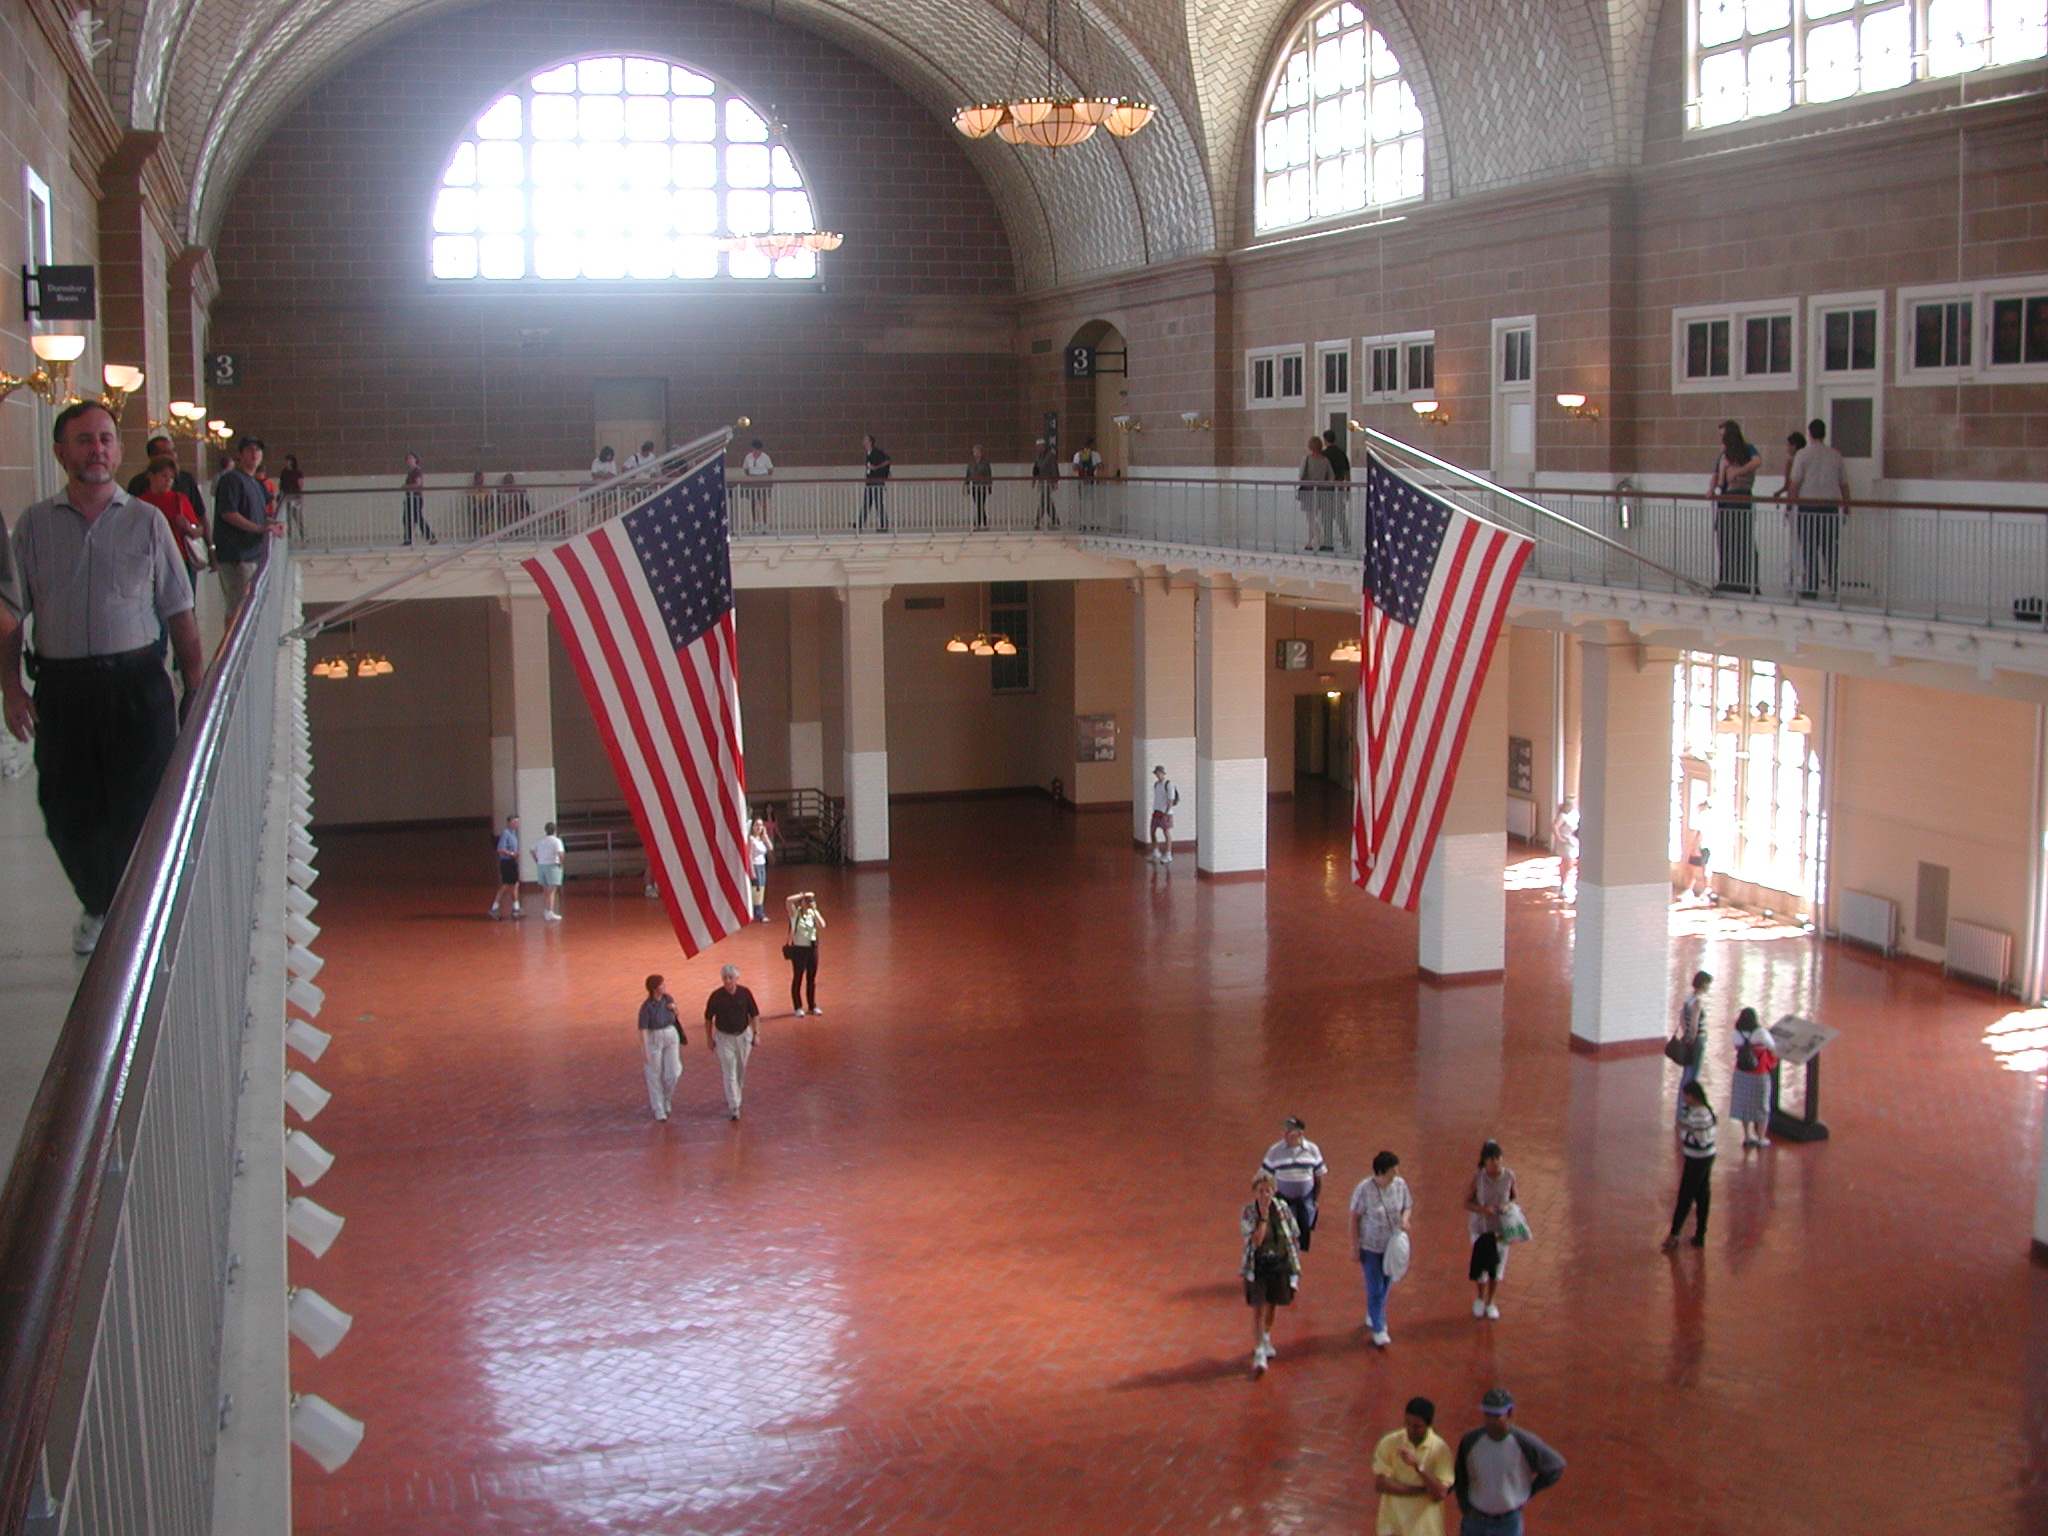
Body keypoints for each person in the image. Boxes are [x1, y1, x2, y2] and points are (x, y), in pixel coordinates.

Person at [0, 401, 205, 955]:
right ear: (60, 451)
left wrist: (196, 687)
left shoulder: (147, 521)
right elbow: (13, 616)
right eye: (85, 440)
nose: (98, 450)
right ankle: (100, 904)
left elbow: (179, 613)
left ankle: (138, 913)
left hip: (136, 683)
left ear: (118, 449)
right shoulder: (35, 527)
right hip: (63, 689)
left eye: (107, 439)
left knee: (141, 803)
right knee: (68, 811)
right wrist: (12, 687)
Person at [1451, 1389, 1565, 1536]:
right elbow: (1460, 1475)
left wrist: (1529, 1491)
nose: (1491, 1421)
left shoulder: (1523, 1442)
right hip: (1475, 1520)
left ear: (1510, 1413)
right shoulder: (1470, 1440)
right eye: (1487, 1414)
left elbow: (1556, 1465)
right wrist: (1465, 1506)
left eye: (1497, 1416)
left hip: (1507, 1523)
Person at [1240, 1171, 1300, 1375]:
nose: (1264, 1195)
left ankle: (1266, 1337)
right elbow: (1256, 1240)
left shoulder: (1283, 1209)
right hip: (1257, 1266)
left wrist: (1293, 1267)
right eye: (1260, 1191)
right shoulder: (1249, 1212)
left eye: (1268, 1190)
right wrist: (1264, 1216)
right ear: (1254, 1192)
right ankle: (1258, 1350)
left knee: (1273, 1303)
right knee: (1258, 1307)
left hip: (1279, 1263)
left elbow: (1293, 1233)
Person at [1351, 1149, 1412, 1347]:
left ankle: (1374, 1313)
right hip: (1370, 1246)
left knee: (1387, 1282)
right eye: (1393, 1170)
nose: (1396, 1173)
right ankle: (1379, 1327)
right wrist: (1355, 1246)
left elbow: (1407, 1205)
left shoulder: (1400, 1185)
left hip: (1391, 1245)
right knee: (1375, 1286)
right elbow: (1355, 1218)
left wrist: (1404, 1220)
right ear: (1382, 1171)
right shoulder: (1364, 1189)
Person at [1786, 416, 1849, 598]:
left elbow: (1795, 483)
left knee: (1809, 548)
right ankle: (1833, 588)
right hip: (1830, 508)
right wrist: (1846, 506)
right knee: (1830, 550)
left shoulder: (1803, 455)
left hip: (1808, 507)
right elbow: (1844, 485)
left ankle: (1811, 588)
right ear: (1825, 433)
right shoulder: (1835, 455)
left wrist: (1789, 505)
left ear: (1810, 433)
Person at [1373, 1397, 1453, 1536]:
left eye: (1416, 1426)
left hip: (1425, 1530)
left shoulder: (1440, 1450)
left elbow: (1439, 1493)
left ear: (1428, 1425)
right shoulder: (1389, 1442)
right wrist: (1422, 1491)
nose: (1410, 1429)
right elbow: (1381, 1485)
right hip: (1394, 1527)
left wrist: (1418, 1466)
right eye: (1407, 1423)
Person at [213, 436, 276, 609]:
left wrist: (274, 524)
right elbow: (228, 513)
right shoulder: (232, 480)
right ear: (239, 455)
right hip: (237, 556)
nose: (254, 454)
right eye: (249, 450)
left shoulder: (256, 484)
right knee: (239, 608)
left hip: (252, 553)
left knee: (249, 604)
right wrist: (259, 529)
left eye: (258, 450)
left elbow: (258, 515)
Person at [138, 454, 210, 589]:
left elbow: (199, 530)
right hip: (153, 560)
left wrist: (188, 528)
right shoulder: (141, 503)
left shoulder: (179, 500)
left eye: (171, 478)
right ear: (151, 476)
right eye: (164, 476)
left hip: (180, 558)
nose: (168, 481)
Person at [1708, 420, 1763, 594]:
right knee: (1737, 541)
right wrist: (1712, 487)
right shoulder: (1732, 454)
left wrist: (1734, 473)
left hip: (1732, 500)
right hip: (1740, 500)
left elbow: (1721, 479)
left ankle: (1737, 581)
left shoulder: (1736, 453)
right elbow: (1717, 476)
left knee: (1734, 541)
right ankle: (1739, 581)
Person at [1463, 1140, 1516, 1320]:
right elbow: (1467, 1202)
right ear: (1485, 1161)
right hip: (1481, 1228)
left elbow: (1512, 1197)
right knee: (1482, 1264)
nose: (1495, 1163)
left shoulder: (1509, 1176)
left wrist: (1507, 1206)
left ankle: (1491, 1301)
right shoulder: (1478, 1178)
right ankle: (1479, 1298)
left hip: (1501, 1229)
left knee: (1497, 1265)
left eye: (1497, 1158)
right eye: (1491, 1159)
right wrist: (1482, 1210)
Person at [1663, 1079, 1718, 1249]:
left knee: (1685, 1196)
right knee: (1702, 1195)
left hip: (1697, 1159)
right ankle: (1700, 1234)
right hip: (1707, 1157)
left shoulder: (1698, 1114)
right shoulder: (1704, 1111)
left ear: (1692, 1096)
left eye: (1686, 1096)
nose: (1684, 1099)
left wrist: (1682, 1133)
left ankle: (1674, 1234)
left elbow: (1699, 1140)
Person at [703, 963, 761, 1121]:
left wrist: (756, 1033)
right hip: (724, 1038)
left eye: (730, 978)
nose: (727, 981)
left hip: (743, 1036)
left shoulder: (745, 993)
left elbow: (754, 1014)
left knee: (740, 1069)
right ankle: (734, 1105)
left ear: (736, 978)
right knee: (729, 1071)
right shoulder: (716, 996)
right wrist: (709, 1038)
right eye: (725, 978)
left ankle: (737, 1093)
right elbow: (708, 1018)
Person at [1259, 1117, 1326, 1253]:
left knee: (1300, 1235)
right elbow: (1264, 1177)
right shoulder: (1275, 1151)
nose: (1285, 1133)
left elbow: (1318, 1177)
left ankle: (1294, 1261)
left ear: (1300, 1133)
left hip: (1304, 1202)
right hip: (1282, 1202)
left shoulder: (1312, 1150)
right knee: (1284, 1236)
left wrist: (1315, 1200)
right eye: (1284, 1130)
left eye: (1289, 1130)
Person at [128, 435, 209, 532]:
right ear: (153, 457)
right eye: (167, 452)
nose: (173, 455)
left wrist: (208, 543)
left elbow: (200, 516)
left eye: (173, 451)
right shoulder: (138, 483)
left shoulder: (185, 480)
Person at [1730, 1005, 1777, 1149]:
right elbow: (1772, 1047)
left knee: (1745, 1104)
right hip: (1759, 1073)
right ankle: (1761, 1138)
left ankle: (1747, 1136)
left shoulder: (1736, 1035)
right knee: (1762, 1104)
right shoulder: (1761, 1033)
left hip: (1741, 1073)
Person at [638, 974, 683, 1123]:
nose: (664, 987)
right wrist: (645, 1050)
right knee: (654, 1073)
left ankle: (666, 1098)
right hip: (654, 1037)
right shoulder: (647, 1007)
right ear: (655, 989)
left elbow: (676, 1014)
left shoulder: (667, 999)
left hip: (670, 1033)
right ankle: (659, 1108)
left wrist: (674, 1009)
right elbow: (643, 1029)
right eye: (662, 985)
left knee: (673, 1071)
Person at [786, 890, 824, 1014]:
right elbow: (788, 900)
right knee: (798, 977)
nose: (808, 903)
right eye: (806, 901)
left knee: (811, 978)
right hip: (799, 949)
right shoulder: (795, 913)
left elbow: (822, 925)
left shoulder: (812, 913)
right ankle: (797, 1006)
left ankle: (812, 1006)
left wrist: (815, 911)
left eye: (811, 901)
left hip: (812, 948)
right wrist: (803, 895)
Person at [1675, 969, 1711, 1096]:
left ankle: (1681, 1107)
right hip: (1697, 1041)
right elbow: (1695, 1024)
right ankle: (1688, 1104)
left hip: (1688, 1038)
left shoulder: (1688, 998)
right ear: (1703, 984)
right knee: (1693, 1074)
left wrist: (1685, 1034)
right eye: (1708, 984)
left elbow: (1682, 1018)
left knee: (1686, 1072)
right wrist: (1692, 1038)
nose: (1709, 987)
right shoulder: (1697, 1001)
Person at [1297, 434, 1334, 550]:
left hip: (1309, 492)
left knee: (1311, 518)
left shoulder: (1307, 459)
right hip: (1322, 492)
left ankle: (1317, 539)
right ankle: (1311, 541)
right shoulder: (1325, 460)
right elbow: (1331, 477)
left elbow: (1301, 475)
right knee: (1315, 517)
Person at [1322, 427, 1354, 549]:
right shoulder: (1341, 452)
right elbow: (1347, 471)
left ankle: (1328, 542)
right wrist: (1348, 486)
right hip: (1340, 485)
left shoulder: (1324, 454)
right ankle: (1346, 540)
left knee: (1327, 516)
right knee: (1340, 515)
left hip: (1327, 488)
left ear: (1325, 440)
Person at [488, 814, 521, 918]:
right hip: (506, 862)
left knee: (514, 884)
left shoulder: (514, 833)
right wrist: (512, 854)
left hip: (512, 862)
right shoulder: (506, 833)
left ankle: (516, 907)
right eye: (514, 822)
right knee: (506, 885)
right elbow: (500, 849)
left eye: (517, 822)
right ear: (509, 822)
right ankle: (495, 907)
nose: (516, 824)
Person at [533, 820, 566, 921]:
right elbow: (560, 853)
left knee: (545, 890)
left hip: (541, 866)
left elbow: (532, 850)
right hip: (552, 866)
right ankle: (550, 912)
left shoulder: (540, 840)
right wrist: (561, 862)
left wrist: (537, 860)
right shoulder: (556, 841)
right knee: (552, 891)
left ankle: (546, 910)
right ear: (554, 830)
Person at [1147, 763, 1179, 864]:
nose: (1158, 775)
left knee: (1166, 832)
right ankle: (1156, 851)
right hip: (1157, 810)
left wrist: (1166, 813)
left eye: (1159, 773)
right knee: (1152, 830)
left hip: (1166, 812)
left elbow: (1170, 799)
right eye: (1156, 773)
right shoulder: (1156, 784)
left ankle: (1168, 854)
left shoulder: (1168, 784)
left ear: (1162, 773)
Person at [400, 451, 432, 546]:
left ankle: (430, 537)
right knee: (408, 519)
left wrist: (406, 487)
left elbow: (418, 483)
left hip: (415, 498)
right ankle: (408, 540)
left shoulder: (417, 471)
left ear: (415, 459)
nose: (409, 460)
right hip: (410, 497)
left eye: (411, 458)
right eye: (408, 459)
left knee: (417, 518)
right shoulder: (411, 471)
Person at [739, 438, 774, 527]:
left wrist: (765, 478)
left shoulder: (765, 457)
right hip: (752, 479)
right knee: (753, 502)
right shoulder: (748, 457)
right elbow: (746, 469)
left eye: (758, 449)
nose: (756, 451)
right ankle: (756, 523)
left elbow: (770, 469)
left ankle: (765, 523)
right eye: (754, 449)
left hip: (763, 479)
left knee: (764, 502)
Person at [1549, 797, 1578, 903]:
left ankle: (1570, 884)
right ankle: (1563, 885)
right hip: (1566, 843)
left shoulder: (1575, 813)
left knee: (1572, 864)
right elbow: (1555, 826)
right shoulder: (1562, 816)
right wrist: (1559, 838)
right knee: (1567, 864)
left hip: (1574, 841)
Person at [859, 434, 890, 531]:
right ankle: (860, 523)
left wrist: (875, 468)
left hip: (876, 481)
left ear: (870, 442)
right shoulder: (868, 453)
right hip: (870, 481)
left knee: (878, 503)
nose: (863, 441)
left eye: (865, 439)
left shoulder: (877, 452)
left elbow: (887, 461)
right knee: (867, 503)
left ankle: (884, 524)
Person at [747, 816, 774, 922]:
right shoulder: (751, 839)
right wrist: (752, 870)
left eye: (761, 825)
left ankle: (758, 911)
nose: (759, 827)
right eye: (757, 825)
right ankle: (759, 913)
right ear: (753, 827)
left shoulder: (761, 839)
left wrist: (765, 836)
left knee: (761, 889)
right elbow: (749, 855)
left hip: (762, 865)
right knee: (757, 890)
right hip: (756, 865)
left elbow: (770, 848)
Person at [1071, 437, 1102, 527]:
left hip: (1082, 480)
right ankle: (1093, 522)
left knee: (1082, 502)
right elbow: (1100, 466)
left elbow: (1074, 467)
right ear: (1092, 444)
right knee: (1092, 502)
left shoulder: (1078, 454)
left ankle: (1082, 523)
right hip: (1092, 480)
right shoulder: (1095, 454)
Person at [1031, 438, 1060, 529]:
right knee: (1047, 502)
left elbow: (1054, 468)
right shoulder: (1038, 456)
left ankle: (1038, 520)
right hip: (1042, 481)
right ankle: (1055, 520)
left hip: (1048, 481)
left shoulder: (1050, 456)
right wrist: (1034, 480)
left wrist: (1055, 481)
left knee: (1044, 501)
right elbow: (1036, 469)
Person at [963, 443, 993, 530]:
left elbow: (988, 475)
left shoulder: (985, 463)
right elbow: (968, 474)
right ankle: (982, 522)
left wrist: (989, 486)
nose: (976, 453)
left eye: (977, 452)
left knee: (980, 504)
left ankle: (979, 523)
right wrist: (966, 484)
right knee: (978, 505)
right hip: (974, 487)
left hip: (982, 487)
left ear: (981, 452)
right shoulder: (971, 464)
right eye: (974, 452)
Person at [276, 453, 305, 538]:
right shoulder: (284, 472)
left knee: (298, 518)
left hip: (295, 497)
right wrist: (280, 494)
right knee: (288, 518)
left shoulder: (297, 472)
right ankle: (289, 537)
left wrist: (299, 497)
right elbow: (281, 484)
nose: (286, 463)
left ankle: (303, 536)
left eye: (287, 461)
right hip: (286, 497)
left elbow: (300, 485)